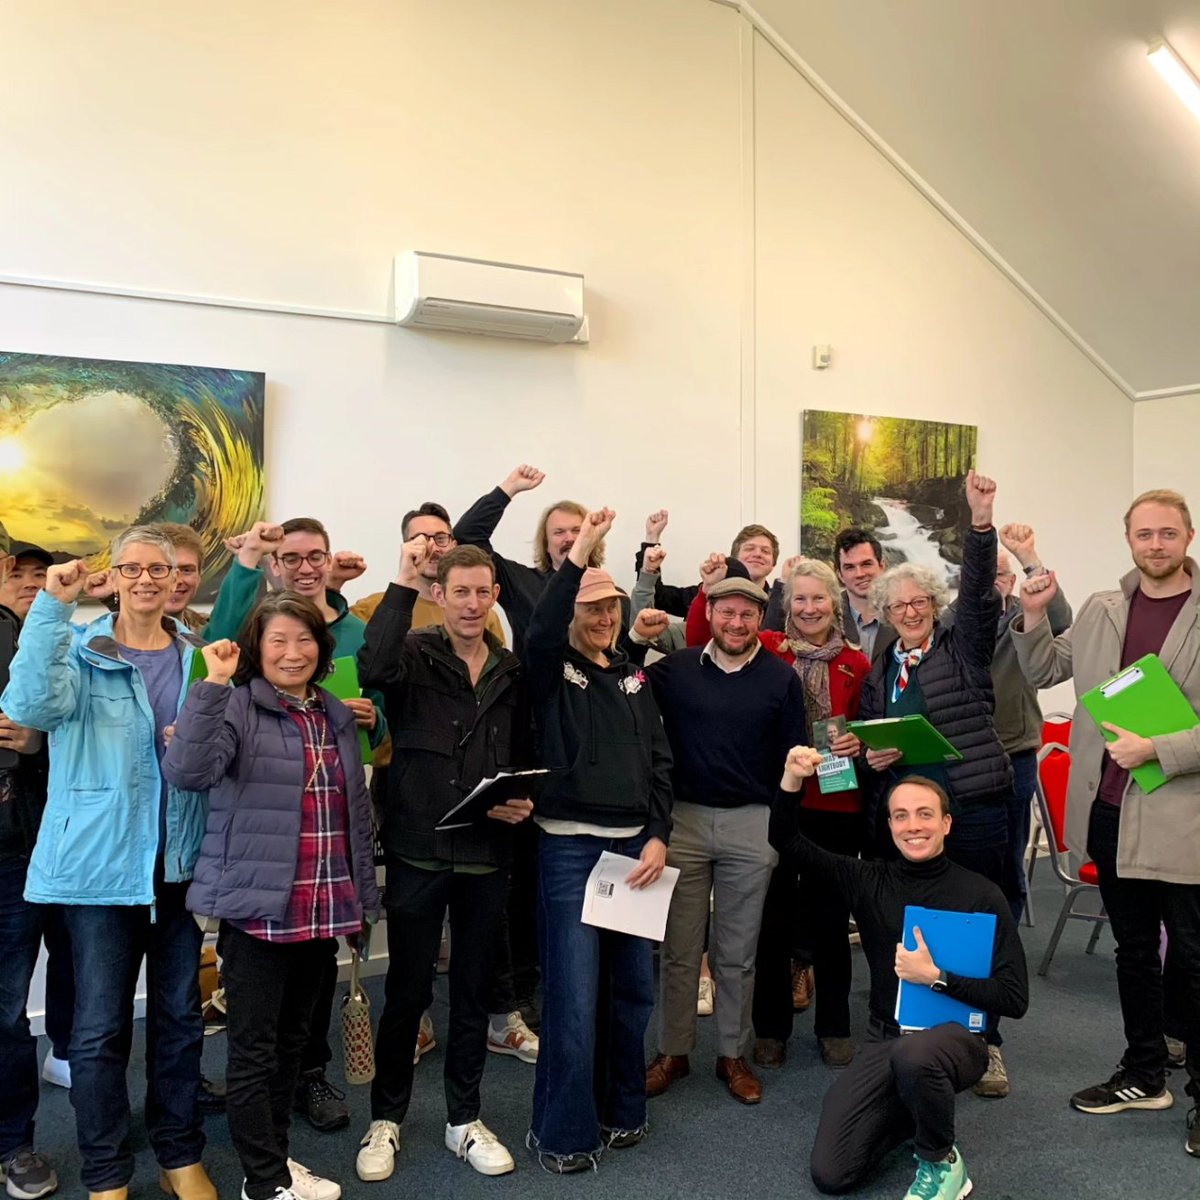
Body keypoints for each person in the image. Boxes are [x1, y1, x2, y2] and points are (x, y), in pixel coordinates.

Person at [1, 527, 216, 1200]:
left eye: (162, 567)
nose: (149, 578)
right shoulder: (77, 646)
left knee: (181, 1024)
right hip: (97, 873)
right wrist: (50, 609)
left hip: (175, 867)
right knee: (97, 1033)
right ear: (114, 575)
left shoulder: (198, 659)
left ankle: (181, 1155)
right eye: (134, 567)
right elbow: (29, 707)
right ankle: (107, 1173)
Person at [163, 593, 381, 1200]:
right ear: (258, 648)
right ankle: (262, 1182)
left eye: (304, 639)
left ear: (321, 646)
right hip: (260, 913)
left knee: (293, 1047)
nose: (293, 652)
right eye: (278, 640)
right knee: (254, 1053)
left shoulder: (334, 712)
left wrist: (362, 901)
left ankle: (278, 1165)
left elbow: (353, 815)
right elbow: (187, 772)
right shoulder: (235, 706)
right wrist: (211, 686)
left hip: (323, 907)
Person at [1011, 488, 1200, 1156]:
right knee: (1133, 952)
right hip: (1111, 809)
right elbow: (1044, 668)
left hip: (1182, 815)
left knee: (1195, 958)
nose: (1155, 544)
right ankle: (1145, 1071)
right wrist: (1031, 616)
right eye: (1144, 534)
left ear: (1188, 536)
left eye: (1167, 533)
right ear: (1129, 540)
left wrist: (1161, 750)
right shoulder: (1101, 608)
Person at [355, 542, 534, 1181]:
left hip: (486, 855)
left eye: (483, 592)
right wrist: (402, 581)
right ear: (440, 595)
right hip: (418, 849)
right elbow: (369, 664)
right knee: (406, 991)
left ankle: (464, 1118)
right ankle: (387, 1120)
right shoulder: (411, 654)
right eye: (460, 591)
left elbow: (523, 754)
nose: (472, 603)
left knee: (473, 992)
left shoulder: (511, 670)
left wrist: (521, 802)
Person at [774, 758, 1028, 1199]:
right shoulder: (867, 879)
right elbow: (786, 839)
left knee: (917, 1056)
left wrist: (937, 978)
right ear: (889, 825)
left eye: (925, 814)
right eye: (901, 815)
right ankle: (914, 1114)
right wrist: (793, 778)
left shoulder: (982, 894)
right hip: (886, 1037)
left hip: (958, 1042)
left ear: (946, 824)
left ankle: (941, 1161)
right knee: (832, 1173)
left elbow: (1014, 997)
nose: (914, 826)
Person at [206, 517, 384, 1133]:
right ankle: (264, 1148)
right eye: (292, 556)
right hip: (264, 852)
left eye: (317, 556)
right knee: (261, 1019)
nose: (306, 566)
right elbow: (198, 752)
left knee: (306, 998)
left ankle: (304, 1082)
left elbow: (383, 712)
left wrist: (372, 720)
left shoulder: (354, 632)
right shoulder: (250, 655)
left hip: (332, 830)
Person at [523, 508, 673, 1174]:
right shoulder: (550, 670)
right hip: (569, 854)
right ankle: (562, 1133)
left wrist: (659, 836)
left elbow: (662, 764)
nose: (603, 617)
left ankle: (622, 1110)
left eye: (609, 606)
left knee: (633, 991)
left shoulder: (635, 678)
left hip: (634, 856)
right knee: (574, 1000)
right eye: (590, 607)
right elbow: (542, 625)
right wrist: (578, 554)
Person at [859, 470, 1014, 1097]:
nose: (910, 612)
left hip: (972, 805)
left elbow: (979, 594)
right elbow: (874, 737)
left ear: (933, 605)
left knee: (980, 922)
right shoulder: (880, 669)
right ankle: (920, 1028)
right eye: (898, 606)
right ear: (886, 615)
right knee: (916, 924)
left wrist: (980, 522)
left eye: (919, 601)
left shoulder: (963, 644)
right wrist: (873, 757)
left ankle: (989, 1044)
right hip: (909, 821)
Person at [684, 558, 870, 1068]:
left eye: (819, 598)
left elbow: (873, 726)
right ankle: (771, 1028)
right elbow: (702, 634)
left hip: (838, 804)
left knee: (832, 920)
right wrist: (708, 587)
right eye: (800, 599)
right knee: (774, 920)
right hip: (777, 805)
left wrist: (861, 741)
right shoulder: (766, 649)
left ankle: (834, 1025)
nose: (810, 608)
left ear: (835, 604)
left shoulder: (856, 663)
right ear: (787, 606)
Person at [632, 573, 806, 1106]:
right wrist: (637, 637)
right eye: (726, 613)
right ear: (709, 615)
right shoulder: (674, 670)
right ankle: (674, 1051)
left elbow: (794, 755)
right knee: (680, 950)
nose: (736, 622)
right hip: (681, 821)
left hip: (751, 823)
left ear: (760, 620)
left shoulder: (781, 679)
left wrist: (778, 826)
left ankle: (732, 1053)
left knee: (737, 951)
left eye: (747, 614)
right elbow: (620, 684)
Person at [942, 522, 1072, 931]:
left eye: (999, 573)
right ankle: (963, 938)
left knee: (1011, 855)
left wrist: (1031, 560)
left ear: (1012, 580)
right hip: (963, 754)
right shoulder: (950, 618)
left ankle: (1005, 941)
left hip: (1015, 751)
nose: (990, 581)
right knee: (962, 853)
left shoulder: (1027, 610)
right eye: (982, 573)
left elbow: (1062, 616)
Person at [0, 530, 59, 1200]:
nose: (28, 582)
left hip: (20, 852)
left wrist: (40, 742)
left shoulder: (52, 650)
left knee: (6, 1012)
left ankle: (13, 1143)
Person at [633, 508, 782, 622]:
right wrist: (652, 538)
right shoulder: (705, 594)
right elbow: (658, 597)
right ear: (734, 557)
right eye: (750, 549)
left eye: (765, 551)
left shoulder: (781, 605)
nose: (757, 554)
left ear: (773, 563)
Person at [834, 528, 894, 663]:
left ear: (882, 566)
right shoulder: (827, 617)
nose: (859, 574)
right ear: (840, 575)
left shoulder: (903, 612)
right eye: (850, 567)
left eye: (866, 564)